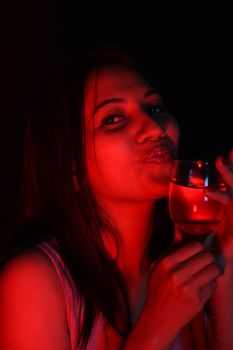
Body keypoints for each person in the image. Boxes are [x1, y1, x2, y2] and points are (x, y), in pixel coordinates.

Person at [0, 45, 233, 350]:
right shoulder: (33, 280)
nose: (154, 128)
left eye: (155, 109)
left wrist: (225, 259)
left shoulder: (185, 269)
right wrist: (155, 329)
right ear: (71, 167)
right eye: (113, 119)